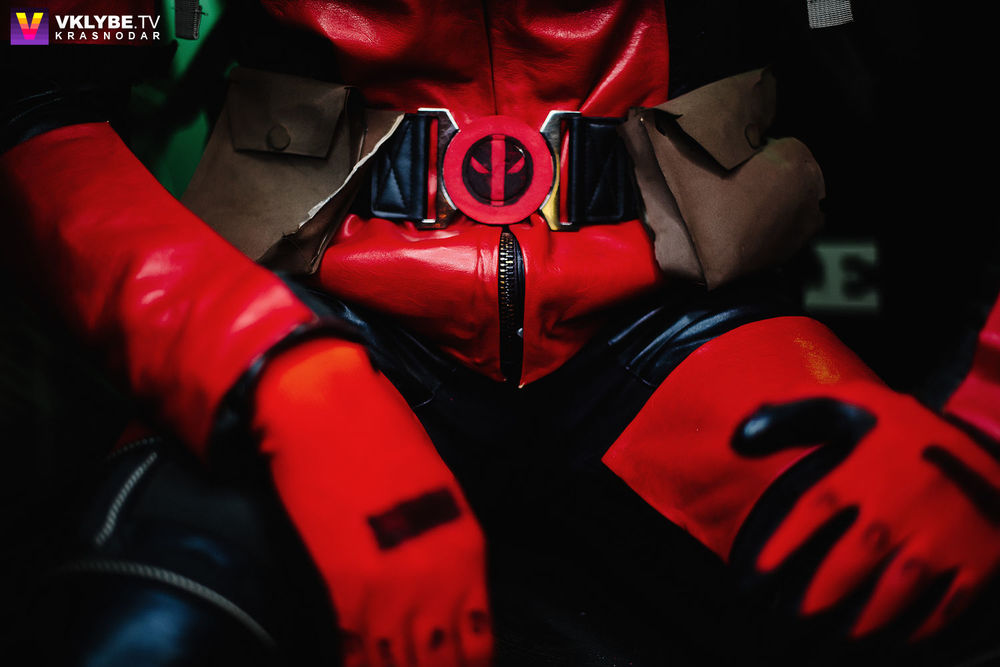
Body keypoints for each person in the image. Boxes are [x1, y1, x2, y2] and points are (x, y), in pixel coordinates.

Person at [3, 1, 999, 665]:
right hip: (311, 311)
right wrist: (273, 370)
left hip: (685, 330)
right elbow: (36, 76)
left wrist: (981, 425)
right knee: (147, 628)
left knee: (933, 590)